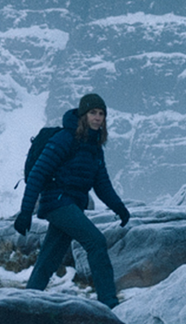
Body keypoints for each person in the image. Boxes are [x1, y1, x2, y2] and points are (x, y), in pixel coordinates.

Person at [15, 92, 130, 308]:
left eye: (102, 114)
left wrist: (119, 208)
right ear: (83, 115)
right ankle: (110, 304)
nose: (98, 118)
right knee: (96, 241)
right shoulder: (65, 138)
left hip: (71, 205)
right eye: (93, 113)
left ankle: (23, 304)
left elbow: (102, 184)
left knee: (48, 259)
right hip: (57, 202)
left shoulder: (95, 147)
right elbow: (38, 173)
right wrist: (25, 212)